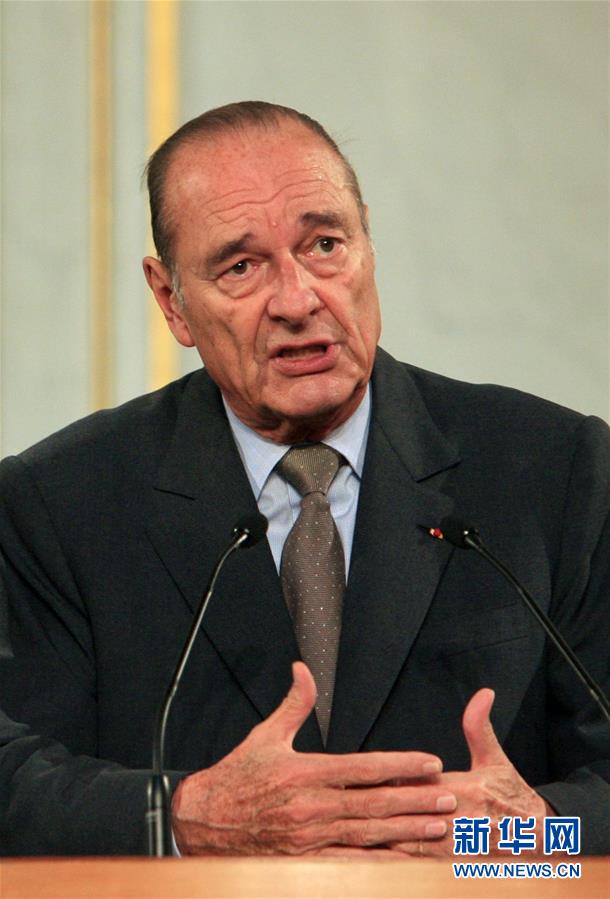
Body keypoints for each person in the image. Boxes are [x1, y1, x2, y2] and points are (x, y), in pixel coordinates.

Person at [0, 101, 609, 857]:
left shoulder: (554, 471)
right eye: (241, 266)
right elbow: (14, 784)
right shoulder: (60, 504)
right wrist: (180, 819)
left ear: (368, 246)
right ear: (171, 301)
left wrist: (525, 839)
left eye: (324, 245)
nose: (297, 300)